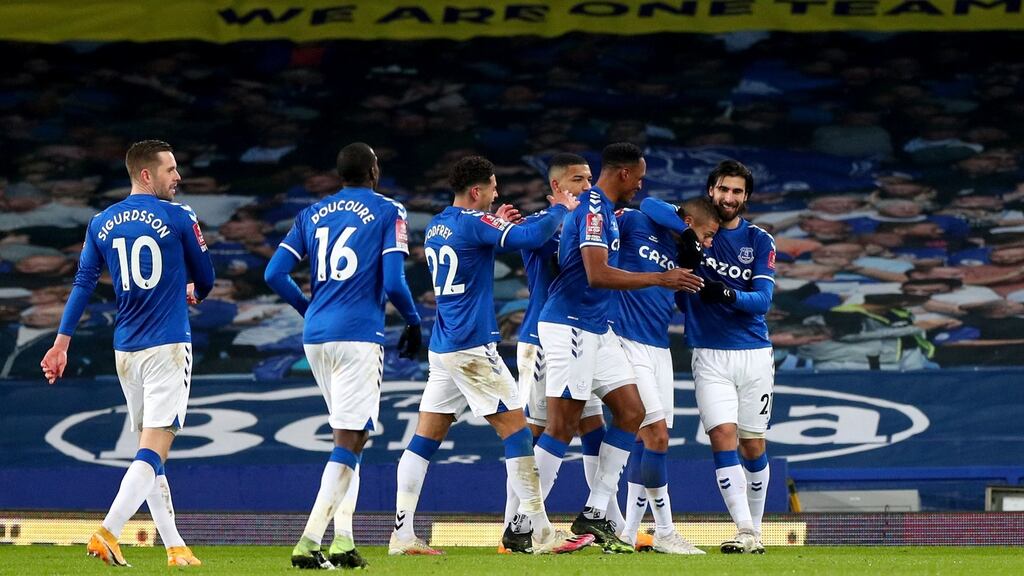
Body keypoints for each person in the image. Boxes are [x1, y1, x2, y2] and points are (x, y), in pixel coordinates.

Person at [389, 155, 593, 556]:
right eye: (493, 187)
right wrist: (558, 208)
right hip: (472, 347)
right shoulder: (471, 222)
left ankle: (402, 533)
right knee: (517, 434)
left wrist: (497, 220)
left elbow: (490, 238)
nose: (498, 193)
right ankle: (541, 533)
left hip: (444, 345)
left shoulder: (437, 225)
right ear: (477, 190)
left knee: (424, 440)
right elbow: (528, 240)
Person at [40, 140, 215, 567]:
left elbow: (83, 283)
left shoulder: (101, 222)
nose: (178, 177)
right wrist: (195, 289)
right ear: (146, 175)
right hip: (168, 346)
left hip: (126, 351)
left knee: (147, 451)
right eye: (171, 169)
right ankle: (108, 531)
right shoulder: (179, 216)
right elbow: (206, 275)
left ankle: (175, 546)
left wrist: (62, 341)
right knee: (155, 449)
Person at [534, 142, 704, 553]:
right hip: (573, 324)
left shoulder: (607, 212)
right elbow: (595, 273)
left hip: (598, 329)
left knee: (632, 413)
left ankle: (596, 514)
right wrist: (661, 279)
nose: (641, 185)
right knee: (563, 425)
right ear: (625, 174)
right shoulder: (599, 210)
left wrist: (684, 243)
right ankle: (524, 519)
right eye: (639, 177)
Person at [264, 142, 423, 570]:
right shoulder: (390, 210)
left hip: (316, 337)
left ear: (340, 175)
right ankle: (309, 541)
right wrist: (412, 321)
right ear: (374, 169)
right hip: (357, 336)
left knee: (348, 439)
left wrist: (308, 309)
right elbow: (393, 281)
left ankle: (344, 542)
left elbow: (274, 273)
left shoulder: (310, 214)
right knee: (350, 439)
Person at [646, 159, 776, 554]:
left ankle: (756, 527)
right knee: (722, 436)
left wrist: (724, 293)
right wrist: (685, 228)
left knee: (753, 445)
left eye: (737, 191)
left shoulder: (759, 240)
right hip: (707, 353)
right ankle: (744, 532)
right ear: (711, 191)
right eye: (723, 189)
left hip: (754, 353)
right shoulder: (694, 228)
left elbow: (763, 301)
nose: (729, 198)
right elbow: (650, 204)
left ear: (746, 197)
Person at [501, 153, 623, 553]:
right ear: (557, 186)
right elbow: (532, 243)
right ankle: (515, 523)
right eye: (577, 179)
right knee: (537, 429)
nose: (587, 186)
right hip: (543, 339)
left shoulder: (586, 217)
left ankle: (608, 520)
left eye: (590, 178)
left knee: (592, 426)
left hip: (582, 336)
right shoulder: (542, 223)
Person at [612, 196, 720, 554]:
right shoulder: (638, 224)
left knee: (649, 442)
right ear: (688, 221)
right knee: (656, 436)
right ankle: (664, 531)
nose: (706, 244)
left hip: (659, 348)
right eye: (706, 235)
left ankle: (628, 534)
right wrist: (687, 231)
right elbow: (650, 203)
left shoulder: (685, 256)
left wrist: (691, 243)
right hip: (627, 341)